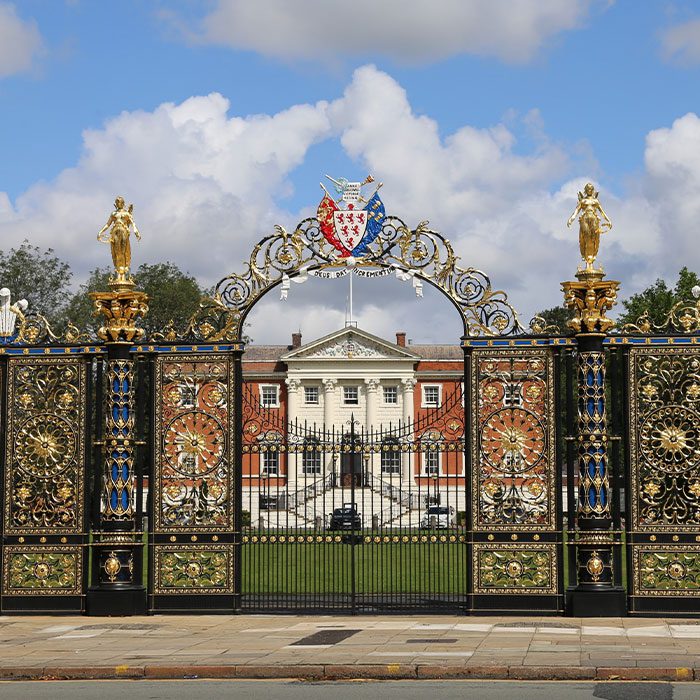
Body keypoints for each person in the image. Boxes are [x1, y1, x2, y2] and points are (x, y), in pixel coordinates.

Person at [566, 183, 612, 268]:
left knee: (593, 238)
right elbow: (576, 211)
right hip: (584, 219)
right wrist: (571, 219)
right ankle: (587, 259)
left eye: (591, 189)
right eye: (588, 189)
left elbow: (602, 212)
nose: (589, 191)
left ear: (593, 190)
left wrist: (608, 220)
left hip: (594, 219)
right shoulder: (583, 201)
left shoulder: (595, 201)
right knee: (586, 238)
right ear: (586, 191)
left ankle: (591, 258)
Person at [97, 196, 141, 281]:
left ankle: (123, 272)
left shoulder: (126, 214)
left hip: (124, 232)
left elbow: (133, 223)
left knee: (123, 252)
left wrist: (136, 232)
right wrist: (100, 231)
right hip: (115, 233)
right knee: (117, 252)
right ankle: (119, 272)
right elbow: (108, 224)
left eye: (119, 202)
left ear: (123, 203)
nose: (118, 204)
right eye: (116, 202)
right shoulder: (114, 214)